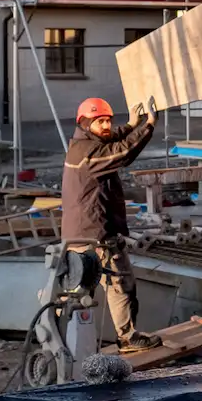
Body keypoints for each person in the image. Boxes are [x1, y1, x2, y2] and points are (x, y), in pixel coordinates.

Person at [61, 98, 161, 351]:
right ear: (86, 124)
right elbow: (123, 152)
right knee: (119, 285)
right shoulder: (89, 154)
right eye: (100, 122)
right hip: (95, 236)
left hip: (84, 233)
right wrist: (148, 125)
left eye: (108, 120)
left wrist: (130, 124)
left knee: (82, 291)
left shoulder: (83, 146)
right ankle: (125, 338)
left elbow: (113, 140)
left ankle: (68, 343)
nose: (106, 126)